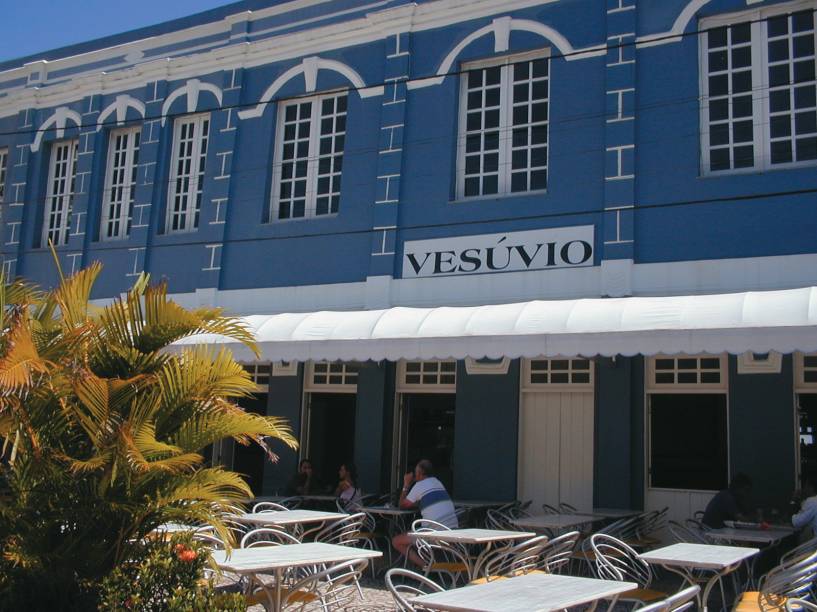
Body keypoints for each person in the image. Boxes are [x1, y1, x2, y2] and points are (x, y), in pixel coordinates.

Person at [392, 459, 458, 567]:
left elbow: (402, 505)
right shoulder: (438, 482)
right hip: (452, 532)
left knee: (396, 541)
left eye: (415, 472)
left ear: (420, 473)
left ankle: (426, 567)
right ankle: (429, 565)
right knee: (413, 533)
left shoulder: (419, 485)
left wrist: (406, 484)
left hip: (433, 534)